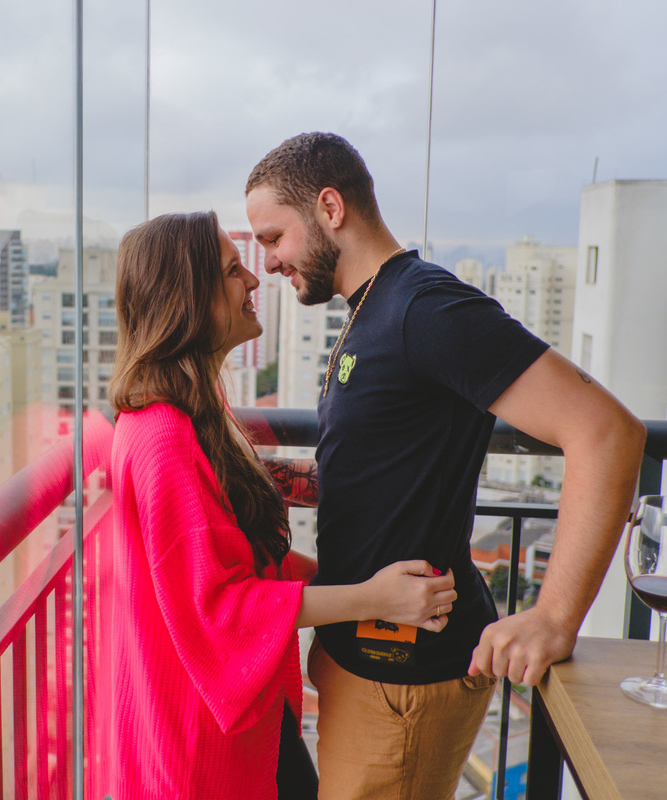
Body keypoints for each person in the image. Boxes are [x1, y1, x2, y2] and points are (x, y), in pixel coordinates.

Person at [244, 132, 647, 799]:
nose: (268, 261)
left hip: (404, 678)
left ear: (330, 208)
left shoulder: (424, 307)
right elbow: (384, 466)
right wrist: (248, 479)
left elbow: (607, 432)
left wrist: (553, 616)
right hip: (363, 664)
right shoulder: (371, 308)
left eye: (273, 237)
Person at [104, 210, 458, 800]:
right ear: (186, 299)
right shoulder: (163, 438)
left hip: (223, 719)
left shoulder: (191, 415)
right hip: (197, 741)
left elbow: (236, 556)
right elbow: (220, 606)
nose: (253, 278)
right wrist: (375, 598)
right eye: (232, 270)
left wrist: (359, 584)